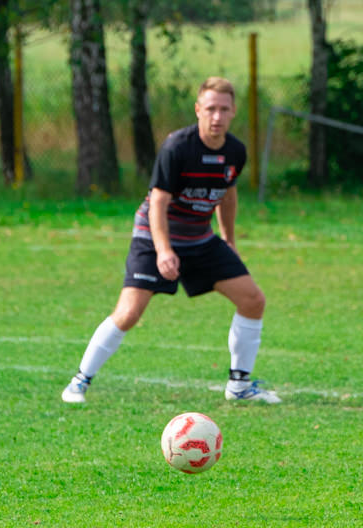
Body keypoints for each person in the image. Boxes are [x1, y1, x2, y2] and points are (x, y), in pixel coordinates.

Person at [62, 77, 279, 405]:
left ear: (234, 111)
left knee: (253, 300)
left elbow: (227, 194)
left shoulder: (235, 151)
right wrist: (163, 251)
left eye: (223, 109)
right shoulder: (178, 147)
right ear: (198, 110)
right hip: (153, 236)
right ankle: (79, 381)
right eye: (210, 109)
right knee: (129, 312)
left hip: (200, 239)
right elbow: (159, 202)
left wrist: (229, 240)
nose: (216, 116)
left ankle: (239, 385)